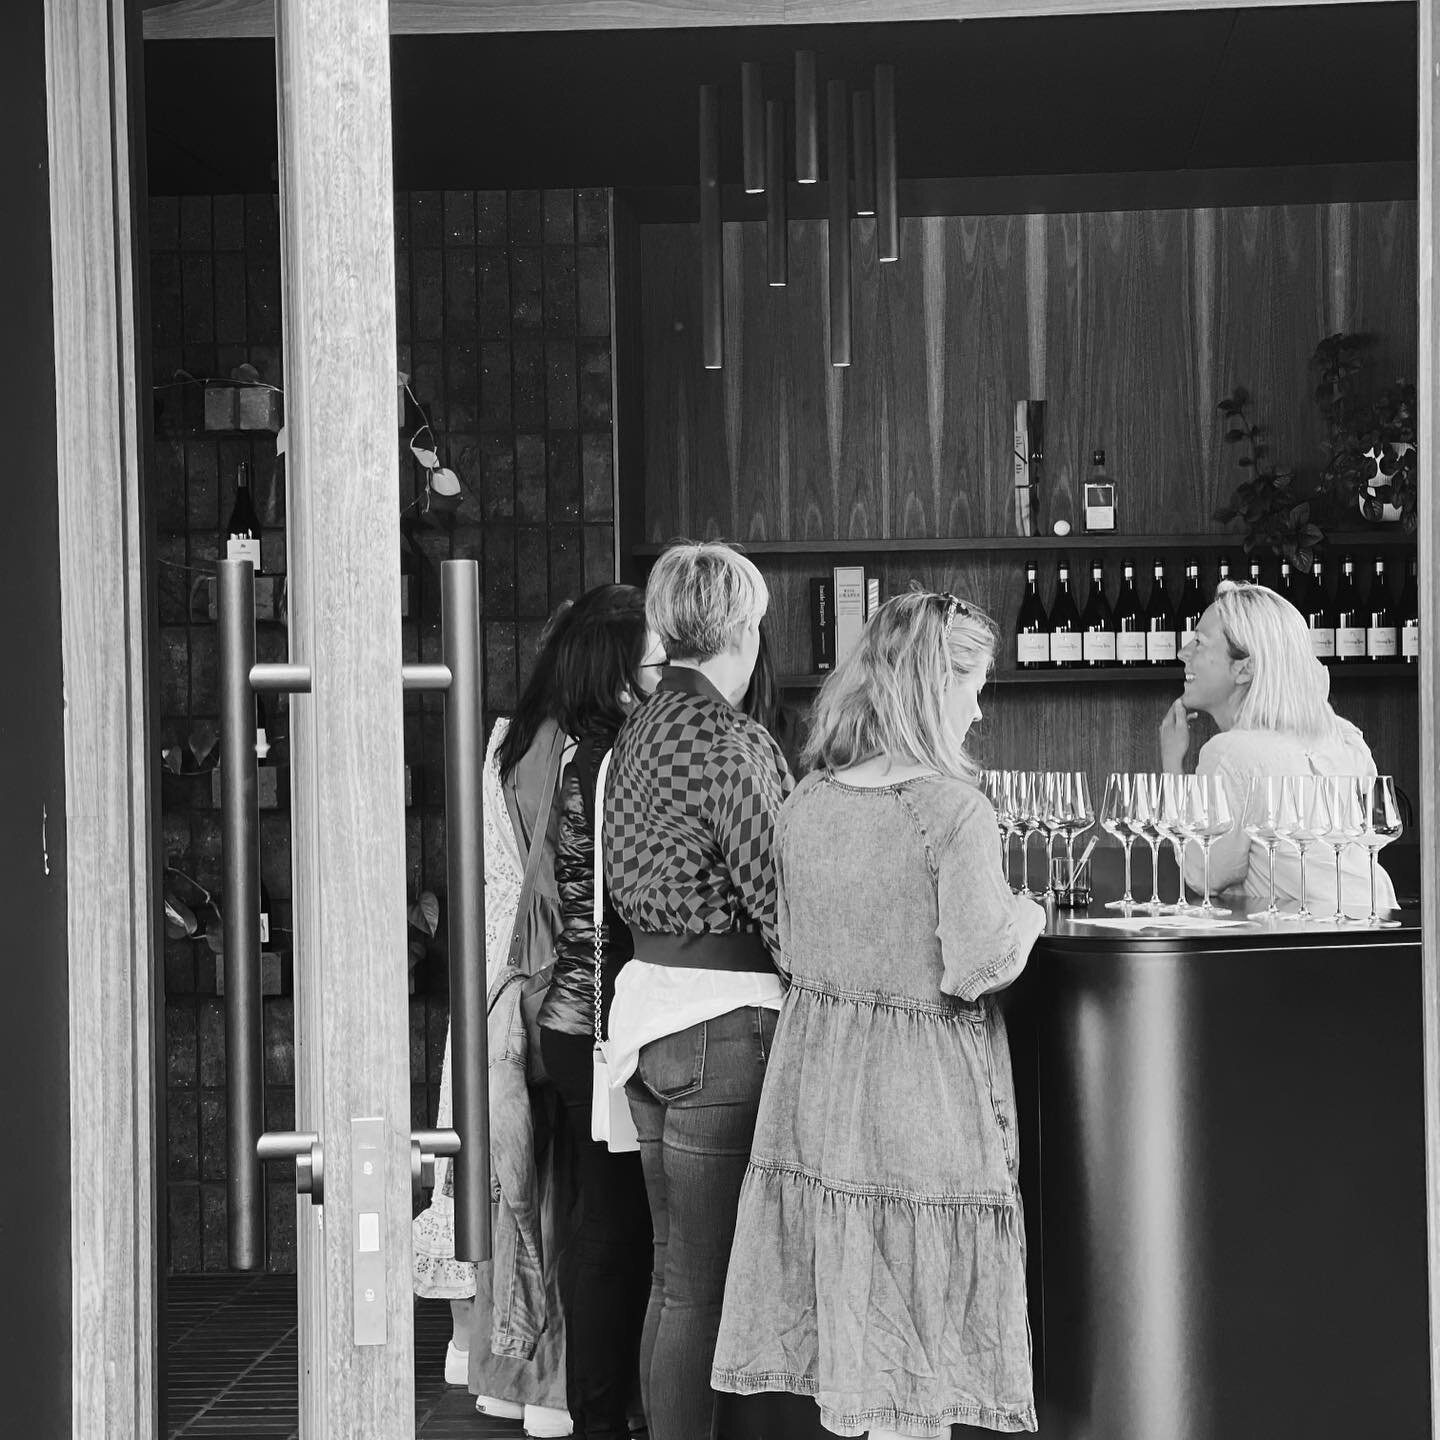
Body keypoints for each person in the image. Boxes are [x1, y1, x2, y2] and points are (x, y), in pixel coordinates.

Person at [712, 590, 1046, 1439]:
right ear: (936, 687)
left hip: (817, 1092)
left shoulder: (809, 801)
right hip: (919, 1096)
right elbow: (979, 962)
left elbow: (791, 942)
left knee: (854, 1336)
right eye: (973, 684)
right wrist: (1030, 916)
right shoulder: (952, 810)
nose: (979, 706)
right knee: (915, 1363)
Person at [601, 540, 794, 1440]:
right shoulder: (732, 742)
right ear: (741, 629)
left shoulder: (630, 735)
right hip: (723, 1026)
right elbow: (780, 896)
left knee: (673, 1280)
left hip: (645, 1014)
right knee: (706, 1291)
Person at [536, 586, 665, 1440]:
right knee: (614, 1231)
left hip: (567, 1020)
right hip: (597, 1026)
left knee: (595, 1221)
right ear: (620, 675)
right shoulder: (609, 762)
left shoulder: (563, 753)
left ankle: (601, 1409)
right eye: (653, 662)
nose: (663, 676)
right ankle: (601, 1415)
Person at [1159, 578, 1396, 911]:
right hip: (1379, 934)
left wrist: (1172, 764)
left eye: (1199, 642)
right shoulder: (1344, 736)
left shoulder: (1230, 752)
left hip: (1293, 950)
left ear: (1244, 668)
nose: (1183, 652)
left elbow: (1204, 876)